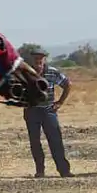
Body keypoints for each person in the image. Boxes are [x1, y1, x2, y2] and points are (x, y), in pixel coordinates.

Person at [24, 48, 73, 178]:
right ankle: (40, 170)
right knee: (35, 142)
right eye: (36, 57)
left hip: (49, 111)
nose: (38, 60)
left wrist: (60, 102)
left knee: (56, 140)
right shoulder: (25, 73)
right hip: (32, 111)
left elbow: (67, 84)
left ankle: (64, 170)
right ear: (32, 59)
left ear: (45, 59)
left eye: (41, 57)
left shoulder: (52, 72)